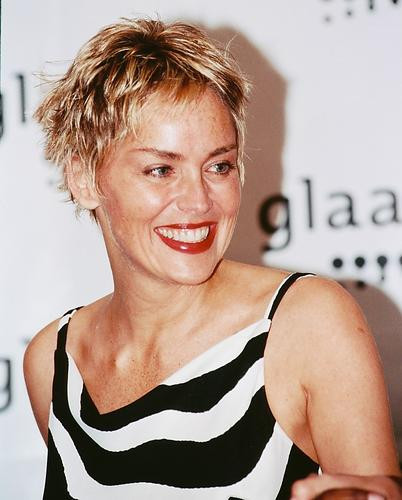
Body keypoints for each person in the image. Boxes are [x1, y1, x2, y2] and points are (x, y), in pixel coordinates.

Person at [24, 18, 401, 500]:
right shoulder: (53, 363)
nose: (199, 201)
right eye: (161, 170)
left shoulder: (304, 323)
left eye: (219, 166)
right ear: (84, 179)